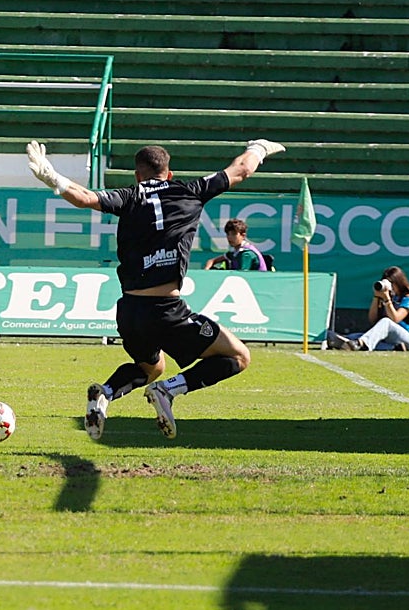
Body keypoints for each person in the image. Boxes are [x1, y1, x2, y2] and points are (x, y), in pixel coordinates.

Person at [26, 138, 286, 441]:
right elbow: (241, 170)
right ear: (169, 173)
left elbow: (84, 198)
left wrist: (52, 177)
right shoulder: (190, 190)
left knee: (152, 366)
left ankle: (106, 392)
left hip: (129, 312)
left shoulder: (128, 196)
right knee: (239, 356)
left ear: (138, 175)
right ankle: (167, 391)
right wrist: (258, 148)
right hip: (166, 311)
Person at [327, 267, 409, 352]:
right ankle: (393, 347)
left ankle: (360, 344)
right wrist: (376, 297)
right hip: (389, 338)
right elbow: (373, 320)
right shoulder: (389, 296)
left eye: (391, 283)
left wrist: (387, 299)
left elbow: (395, 319)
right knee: (352, 337)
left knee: (385, 322)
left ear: (398, 282)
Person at [204, 218, 269, 271]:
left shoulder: (246, 254)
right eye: (228, 234)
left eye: (234, 234)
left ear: (243, 235)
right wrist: (206, 271)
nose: (230, 237)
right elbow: (211, 261)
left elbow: (241, 276)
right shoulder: (235, 251)